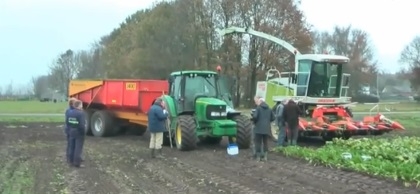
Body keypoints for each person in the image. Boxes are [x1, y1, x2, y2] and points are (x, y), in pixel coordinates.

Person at [251, 96, 275, 161]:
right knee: (265, 142)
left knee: (258, 142)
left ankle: (258, 157)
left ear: (261, 101)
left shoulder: (258, 108)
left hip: (258, 128)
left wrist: (254, 122)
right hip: (267, 128)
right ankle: (265, 157)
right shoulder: (269, 109)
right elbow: (273, 118)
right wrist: (268, 121)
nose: (258, 103)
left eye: (258, 101)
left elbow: (255, 117)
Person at [67, 100, 86, 168]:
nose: (82, 106)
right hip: (79, 132)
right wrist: (83, 132)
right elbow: (81, 125)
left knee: (72, 147)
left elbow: (67, 122)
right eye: (81, 105)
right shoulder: (81, 113)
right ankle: (77, 163)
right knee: (78, 148)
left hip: (71, 131)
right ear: (78, 106)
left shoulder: (70, 112)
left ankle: (70, 161)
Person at [64, 98, 77, 163]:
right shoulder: (70, 111)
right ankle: (69, 158)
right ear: (72, 103)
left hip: (69, 129)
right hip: (70, 129)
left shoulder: (69, 110)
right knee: (70, 144)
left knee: (71, 144)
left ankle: (70, 157)